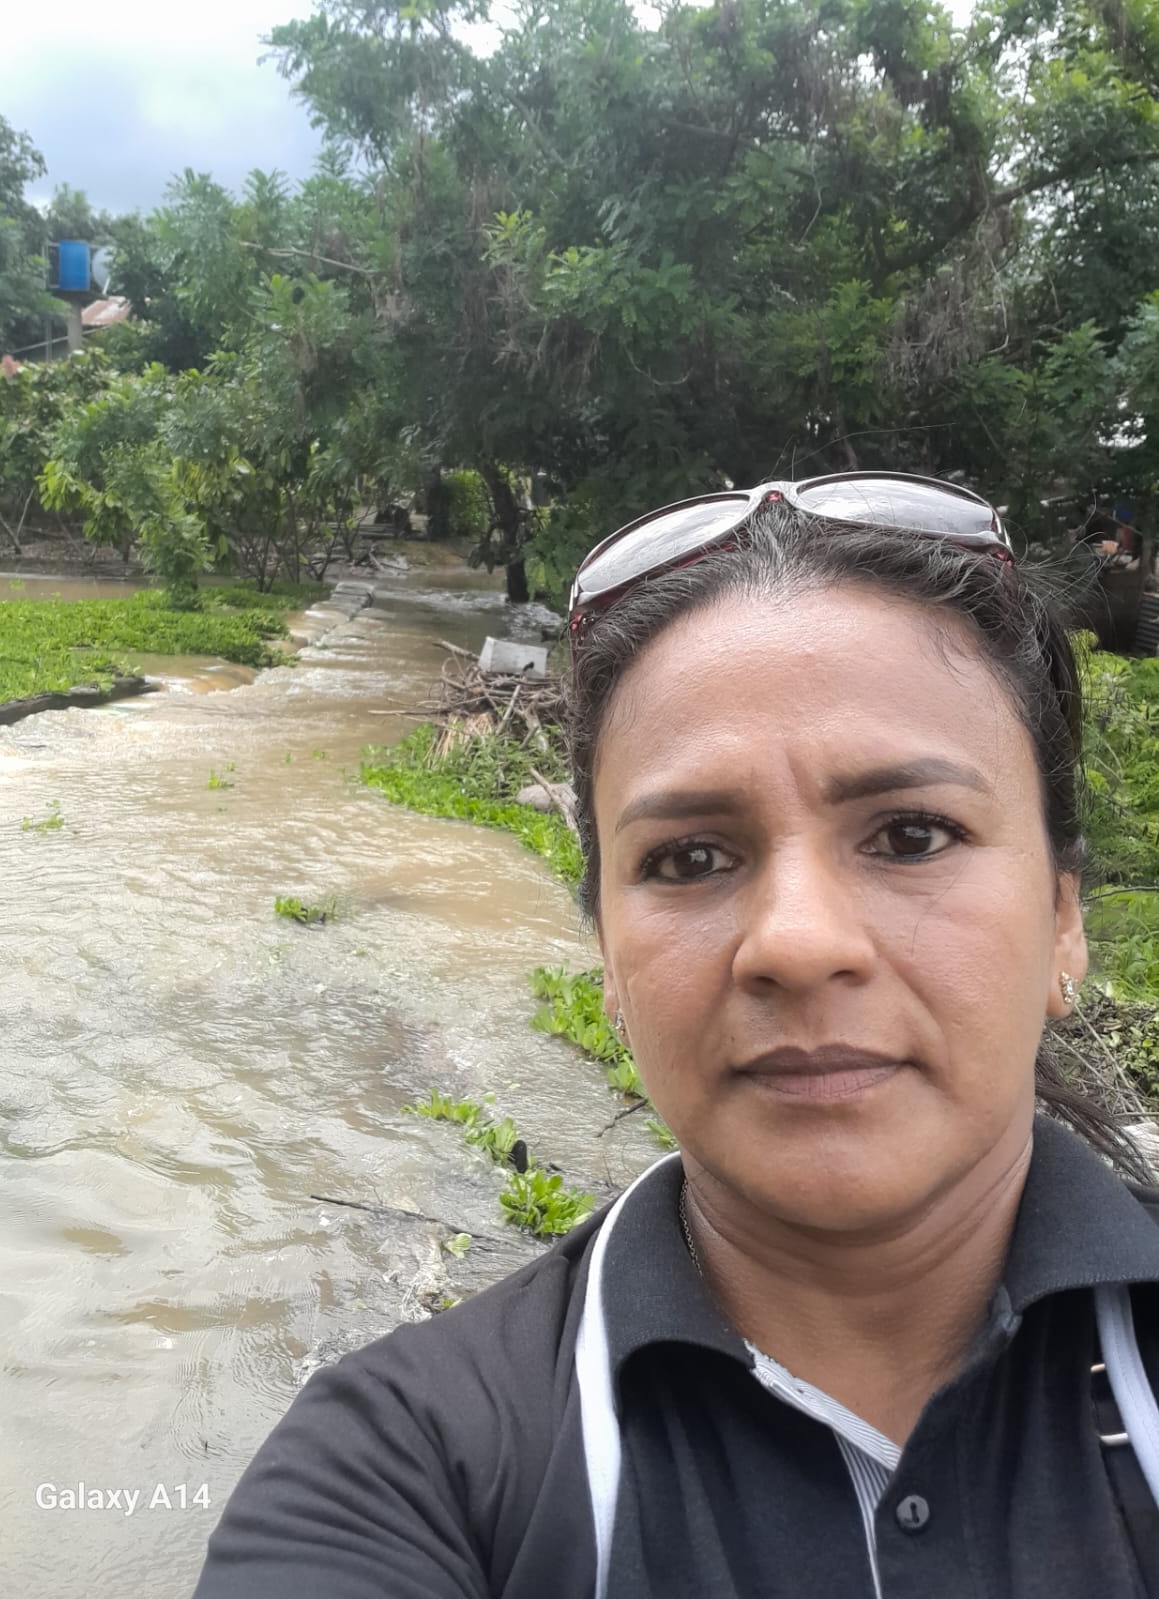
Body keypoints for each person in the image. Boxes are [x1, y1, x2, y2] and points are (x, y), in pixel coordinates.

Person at [193, 473, 1159, 1599]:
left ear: (1060, 915)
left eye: (909, 835)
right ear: (606, 955)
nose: (795, 944)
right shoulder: (406, 1466)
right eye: (690, 858)